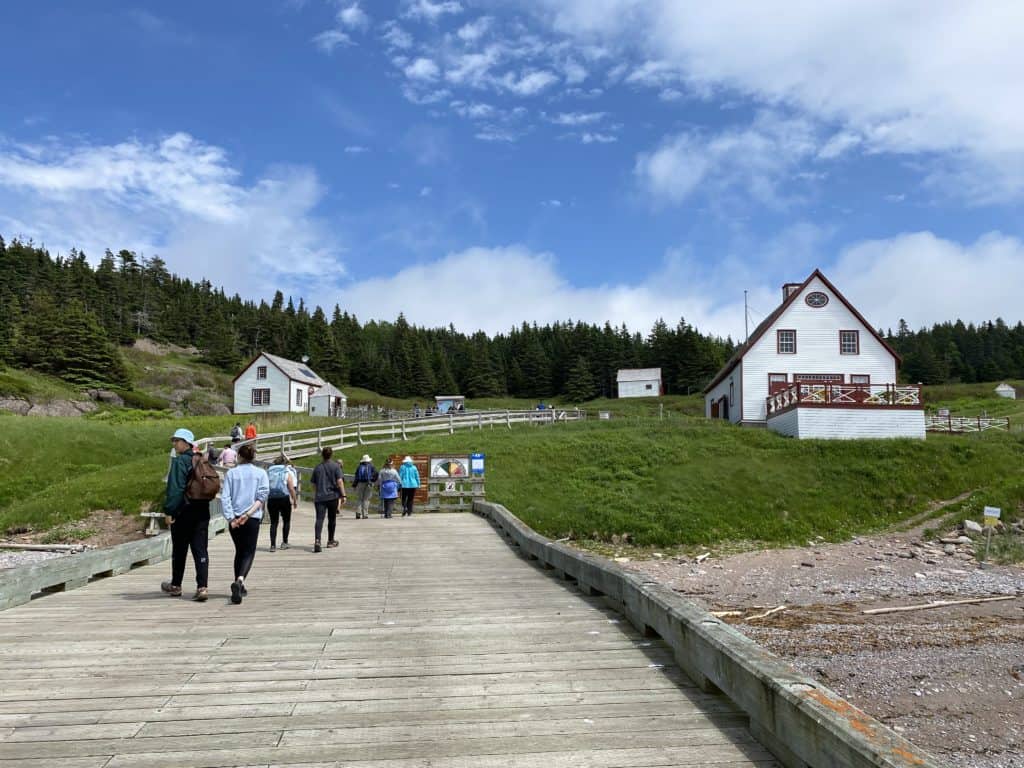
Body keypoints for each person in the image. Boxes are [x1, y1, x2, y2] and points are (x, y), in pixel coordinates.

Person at [161, 428, 210, 602]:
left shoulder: (180, 461)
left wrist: (169, 511)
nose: (174, 444)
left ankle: (176, 585)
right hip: (202, 510)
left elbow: (175, 489)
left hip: (184, 511)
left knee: (180, 549)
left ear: (185, 443)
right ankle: (202, 587)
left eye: (176, 440)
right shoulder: (201, 459)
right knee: (200, 549)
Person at [221, 443, 269, 604]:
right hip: (252, 517)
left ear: (239, 456)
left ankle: (239, 584)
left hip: (234, 518)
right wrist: (248, 514)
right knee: (249, 552)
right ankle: (240, 580)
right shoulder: (261, 473)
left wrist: (231, 518)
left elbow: (225, 497)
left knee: (239, 551)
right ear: (253, 457)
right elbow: (261, 497)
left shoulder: (231, 473)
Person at [311, 447, 346, 552]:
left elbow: (313, 484)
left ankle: (317, 540)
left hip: (320, 497)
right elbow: (340, 481)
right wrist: (343, 495)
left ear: (322, 455)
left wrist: (317, 492)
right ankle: (330, 541)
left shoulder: (317, 468)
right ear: (331, 455)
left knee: (319, 519)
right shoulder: (336, 466)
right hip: (332, 497)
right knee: (332, 519)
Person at [266, 455, 298, 551]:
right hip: (284, 498)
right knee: (286, 521)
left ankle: (272, 545)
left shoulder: (268, 472)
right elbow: (291, 488)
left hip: (271, 499)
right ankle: (284, 542)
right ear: (284, 463)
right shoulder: (286, 472)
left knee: (273, 523)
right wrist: (295, 500)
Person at [352, 454, 377, 520]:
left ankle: (358, 513)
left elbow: (356, 477)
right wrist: (372, 481)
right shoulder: (371, 466)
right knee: (366, 499)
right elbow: (376, 474)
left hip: (360, 483)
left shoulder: (359, 467)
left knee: (359, 499)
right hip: (369, 483)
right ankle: (365, 514)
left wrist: (354, 485)